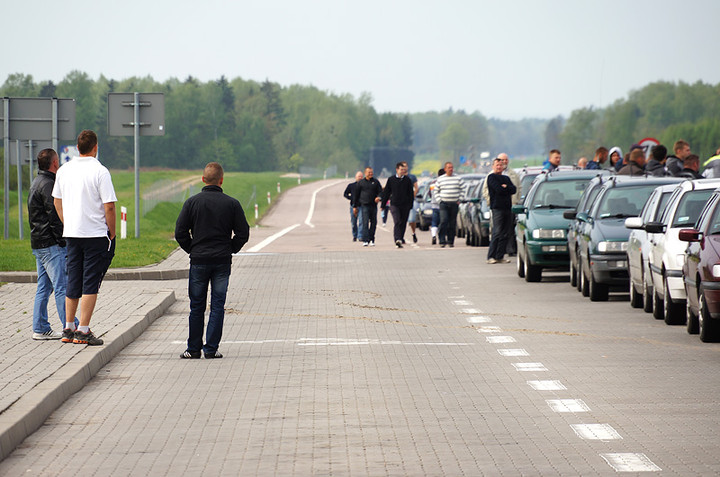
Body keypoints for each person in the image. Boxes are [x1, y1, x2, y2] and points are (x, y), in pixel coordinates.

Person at [175, 162, 250, 359]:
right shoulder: (231, 204)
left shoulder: (192, 203)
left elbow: (180, 232)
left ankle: (193, 349)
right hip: (222, 261)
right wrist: (231, 248)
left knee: (196, 305)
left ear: (202, 179)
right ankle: (211, 349)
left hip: (199, 260)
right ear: (221, 180)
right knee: (217, 305)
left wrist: (192, 248)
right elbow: (243, 233)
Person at [52, 130, 117, 346]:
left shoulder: (64, 170)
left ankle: (68, 327)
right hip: (96, 233)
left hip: (72, 233)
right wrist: (112, 231)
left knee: (73, 280)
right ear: (95, 147)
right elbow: (109, 206)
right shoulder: (100, 171)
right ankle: (84, 330)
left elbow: (57, 202)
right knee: (91, 281)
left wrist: (67, 222)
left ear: (77, 148)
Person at [28, 148, 77, 340]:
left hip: (38, 242)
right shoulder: (48, 185)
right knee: (62, 287)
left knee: (44, 286)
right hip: (51, 244)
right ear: (54, 163)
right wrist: (63, 239)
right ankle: (71, 329)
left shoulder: (36, 182)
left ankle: (40, 327)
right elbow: (54, 216)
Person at [486, 157, 517, 263]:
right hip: (497, 208)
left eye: (501, 165)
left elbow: (514, 189)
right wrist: (505, 188)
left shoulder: (506, 178)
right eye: (497, 165)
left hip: (507, 208)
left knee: (505, 233)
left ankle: (500, 256)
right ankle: (491, 256)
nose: (499, 167)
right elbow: (498, 189)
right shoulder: (491, 177)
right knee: (497, 232)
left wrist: (506, 187)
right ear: (493, 166)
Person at [382, 162, 415, 248]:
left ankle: (400, 238)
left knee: (403, 222)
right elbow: (386, 192)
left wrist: (410, 204)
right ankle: (397, 239)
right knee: (397, 221)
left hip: (405, 205)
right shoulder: (391, 179)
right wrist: (383, 204)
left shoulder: (408, 180)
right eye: (401, 169)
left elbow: (410, 193)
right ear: (397, 170)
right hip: (394, 204)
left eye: (404, 170)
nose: (403, 171)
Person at [434, 161, 464, 247]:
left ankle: (450, 241)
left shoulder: (458, 178)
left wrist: (460, 199)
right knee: (444, 220)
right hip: (444, 203)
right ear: (445, 169)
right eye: (449, 168)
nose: (451, 169)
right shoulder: (440, 179)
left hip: (454, 203)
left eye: (452, 167)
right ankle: (442, 240)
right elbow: (436, 191)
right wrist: (439, 200)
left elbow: (463, 189)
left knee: (452, 222)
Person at [352, 167, 383, 246]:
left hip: (373, 205)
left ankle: (372, 239)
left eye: (371, 172)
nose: (370, 174)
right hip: (364, 205)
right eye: (369, 172)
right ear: (365, 173)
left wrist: (378, 197)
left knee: (373, 222)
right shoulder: (361, 183)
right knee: (365, 222)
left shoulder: (375, 182)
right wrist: (355, 206)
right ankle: (365, 239)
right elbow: (356, 195)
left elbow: (380, 192)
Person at [343, 171, 364, 242]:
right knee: (353, 222)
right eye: (359, 176)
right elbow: (345, 194)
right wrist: (351, 198)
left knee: (361, 221)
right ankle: (355, 235)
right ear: (356, 177)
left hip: (362, 206)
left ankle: (360, 236)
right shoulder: (351, 186)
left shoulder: (364, 186)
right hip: (353, 206)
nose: (360, 178)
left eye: (361, 176)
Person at [402, 162, 420, 244]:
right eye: (402, 167)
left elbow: (416, 187)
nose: (404, 168)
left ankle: (413, 233)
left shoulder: (412, 177)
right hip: (402, 202)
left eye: (405, 166)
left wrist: (412, 196)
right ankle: (401, 236)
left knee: (412, 219)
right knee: (402, 220)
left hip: (411, 201)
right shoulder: (399, 177)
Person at [429, 168, 445, 245]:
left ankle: (434, 235)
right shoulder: (445, 182)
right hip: (443, 205)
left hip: (434, 205)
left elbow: (429, 194)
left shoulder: (432, 183)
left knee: (434, 222)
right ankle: (443, 236)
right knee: (443, 221)